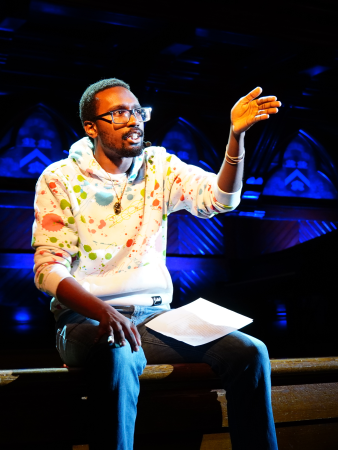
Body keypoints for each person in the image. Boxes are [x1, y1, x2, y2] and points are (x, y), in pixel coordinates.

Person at [31, 78, 281, 450]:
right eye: (117, 113)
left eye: (136, 111)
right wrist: (103, 312)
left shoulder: (159, 167)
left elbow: (221, 200)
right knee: (120, 351)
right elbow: (47, 269)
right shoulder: (60, 177)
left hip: (153, 318)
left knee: (249, 352)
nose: (132, 120)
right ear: (91, 126)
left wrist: (235, 136)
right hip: (83, 320)